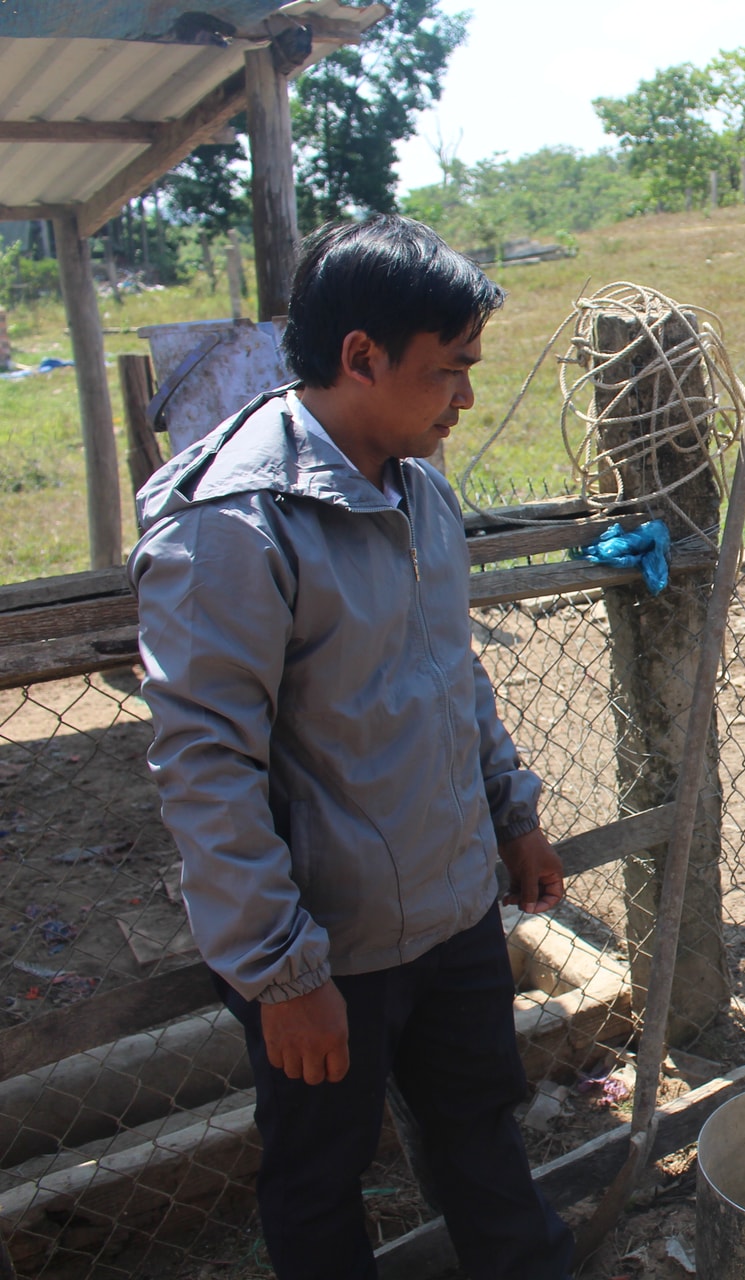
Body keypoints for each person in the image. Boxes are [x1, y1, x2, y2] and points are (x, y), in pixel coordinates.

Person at [130, 216, 573, 1279]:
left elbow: (451, 672)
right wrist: (283, 972)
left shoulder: (418, 490)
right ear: (361, 356)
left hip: (454, 906)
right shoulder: (234, 525)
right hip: (331, 947)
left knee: (483, 1131)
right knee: (320, 1179)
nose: (465, 396)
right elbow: (206, 769)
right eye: (448, 369)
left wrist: (513, 813)